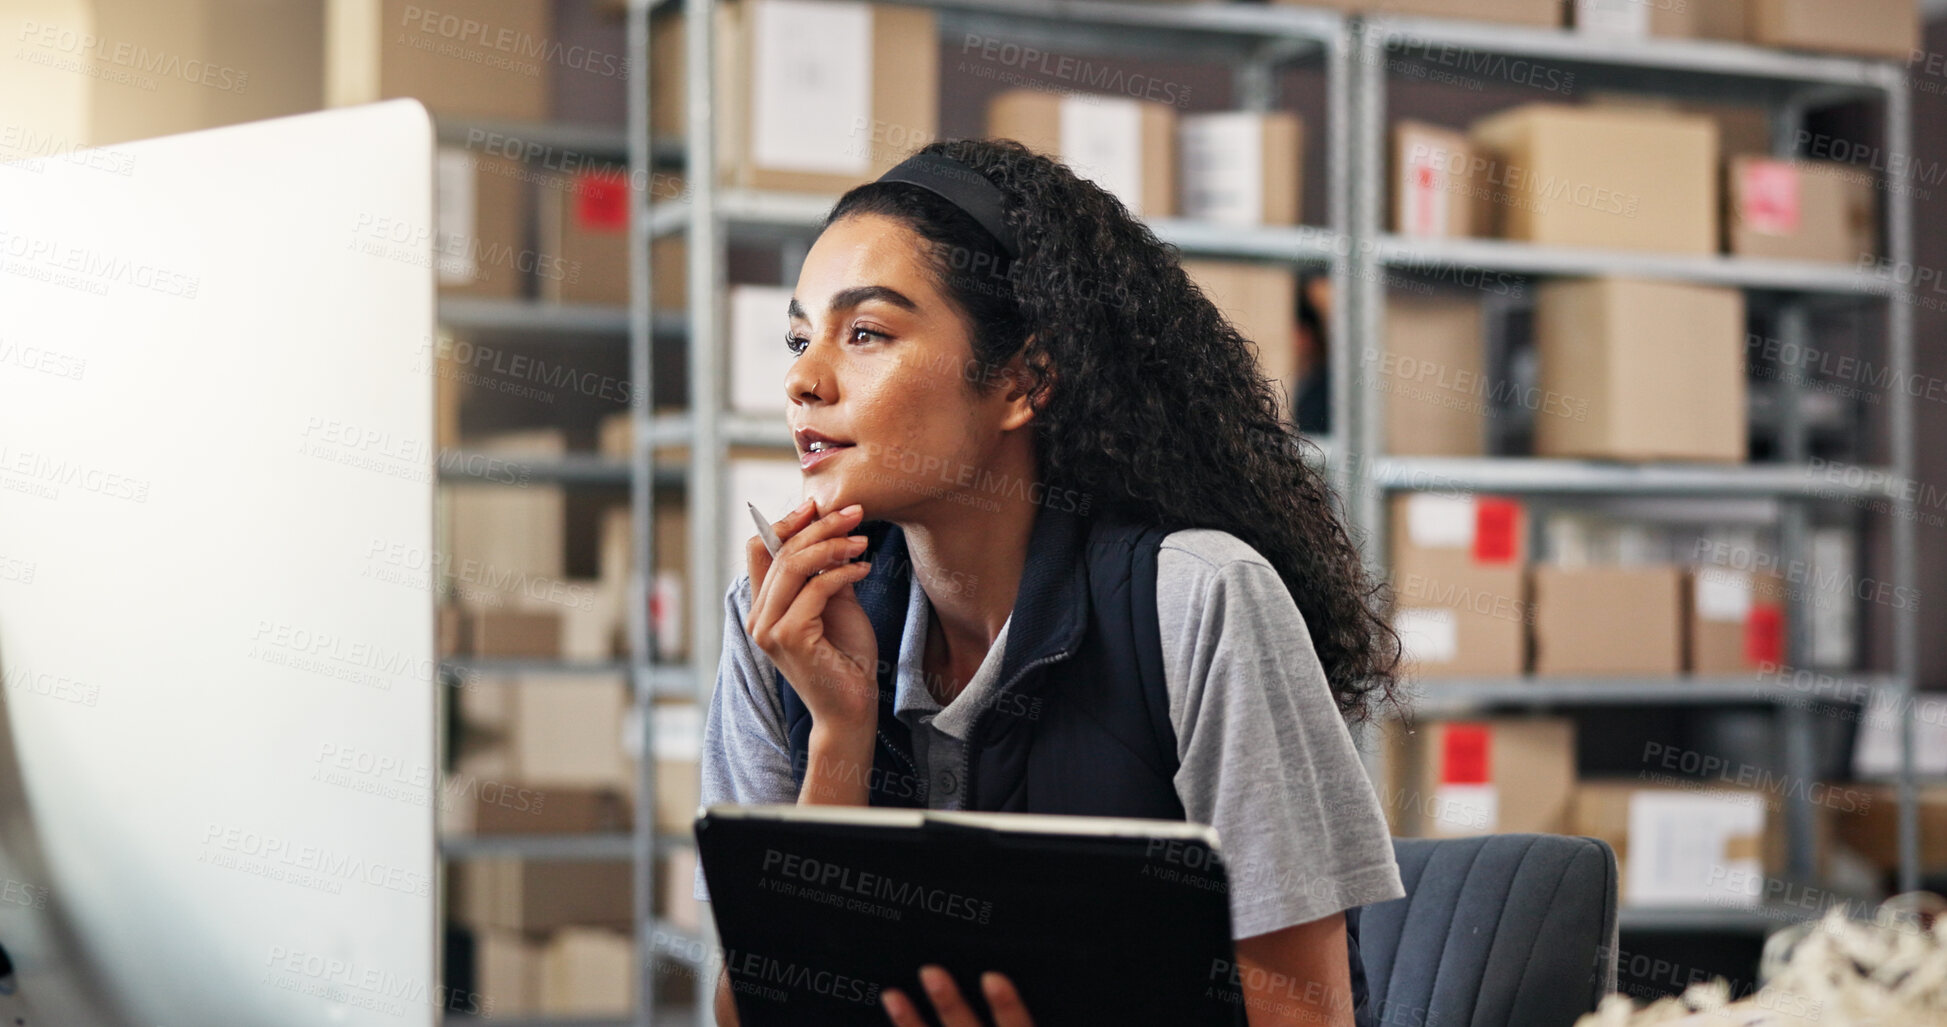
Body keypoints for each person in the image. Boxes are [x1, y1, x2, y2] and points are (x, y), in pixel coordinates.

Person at [694, 137, 1406, 1027]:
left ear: (1024, 379)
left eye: (866, 332)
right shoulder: (782, 621)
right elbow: (746, 1015)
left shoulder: (1197, 601)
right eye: (800, 336)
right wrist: (839, 733)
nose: (802, 378)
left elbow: (1306, 1019)